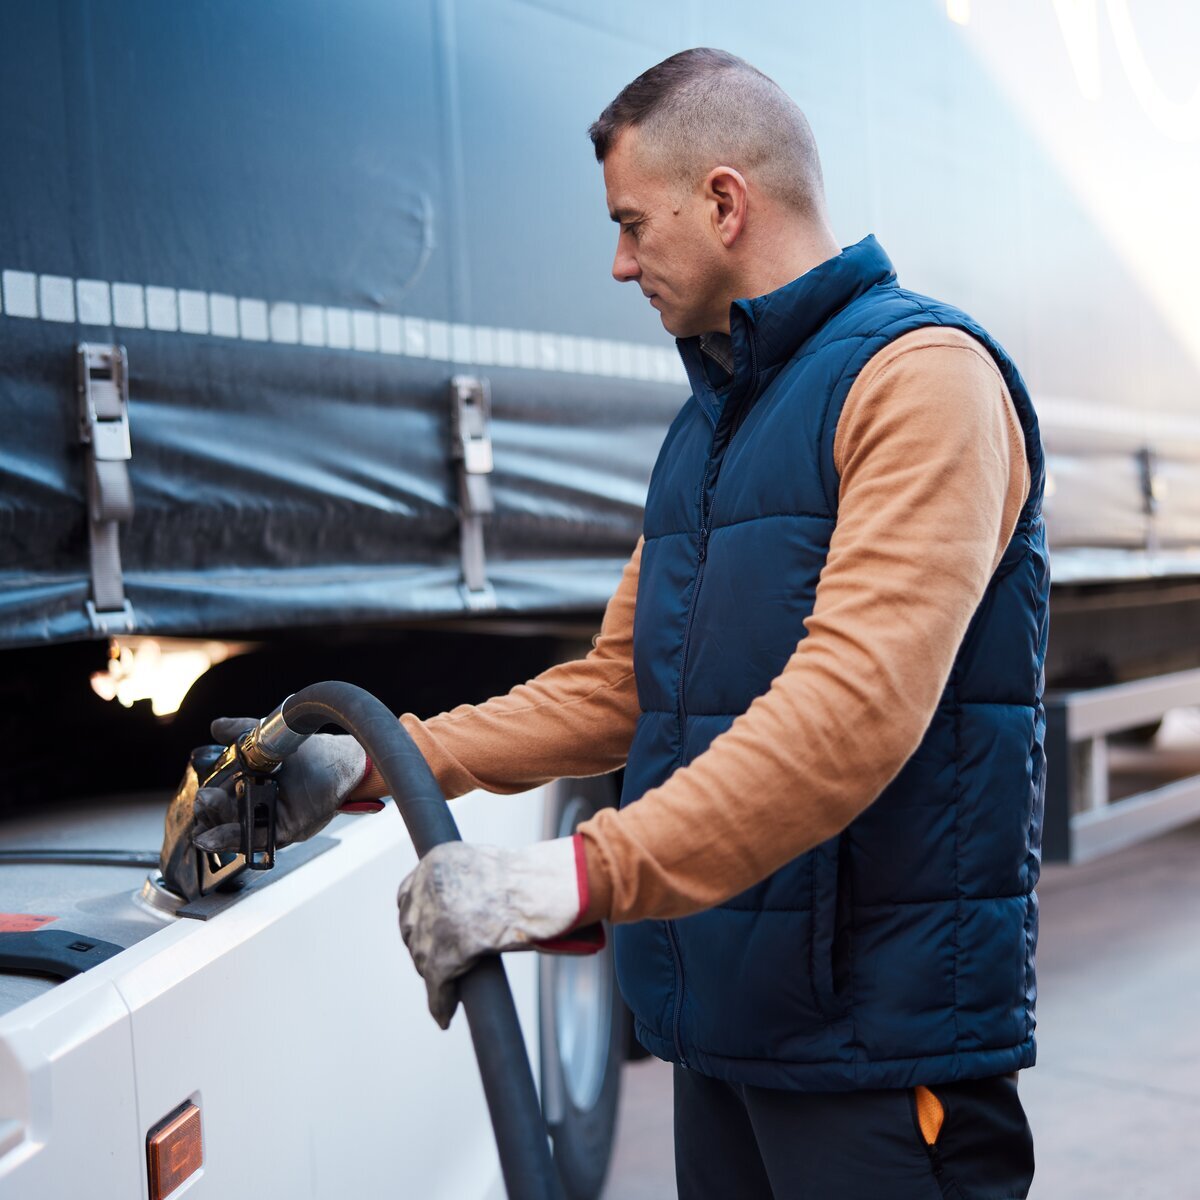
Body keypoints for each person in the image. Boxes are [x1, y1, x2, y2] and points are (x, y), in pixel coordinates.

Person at [194, 48, 1046, 1199]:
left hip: (882, 1058)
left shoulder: (921, 380)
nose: (618, 261)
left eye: (634, 224)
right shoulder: (714, 426)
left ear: (727, 202)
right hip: (728, 1036)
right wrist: (384, 761)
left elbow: (854, 712)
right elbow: (620, 688)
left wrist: (573, 877)